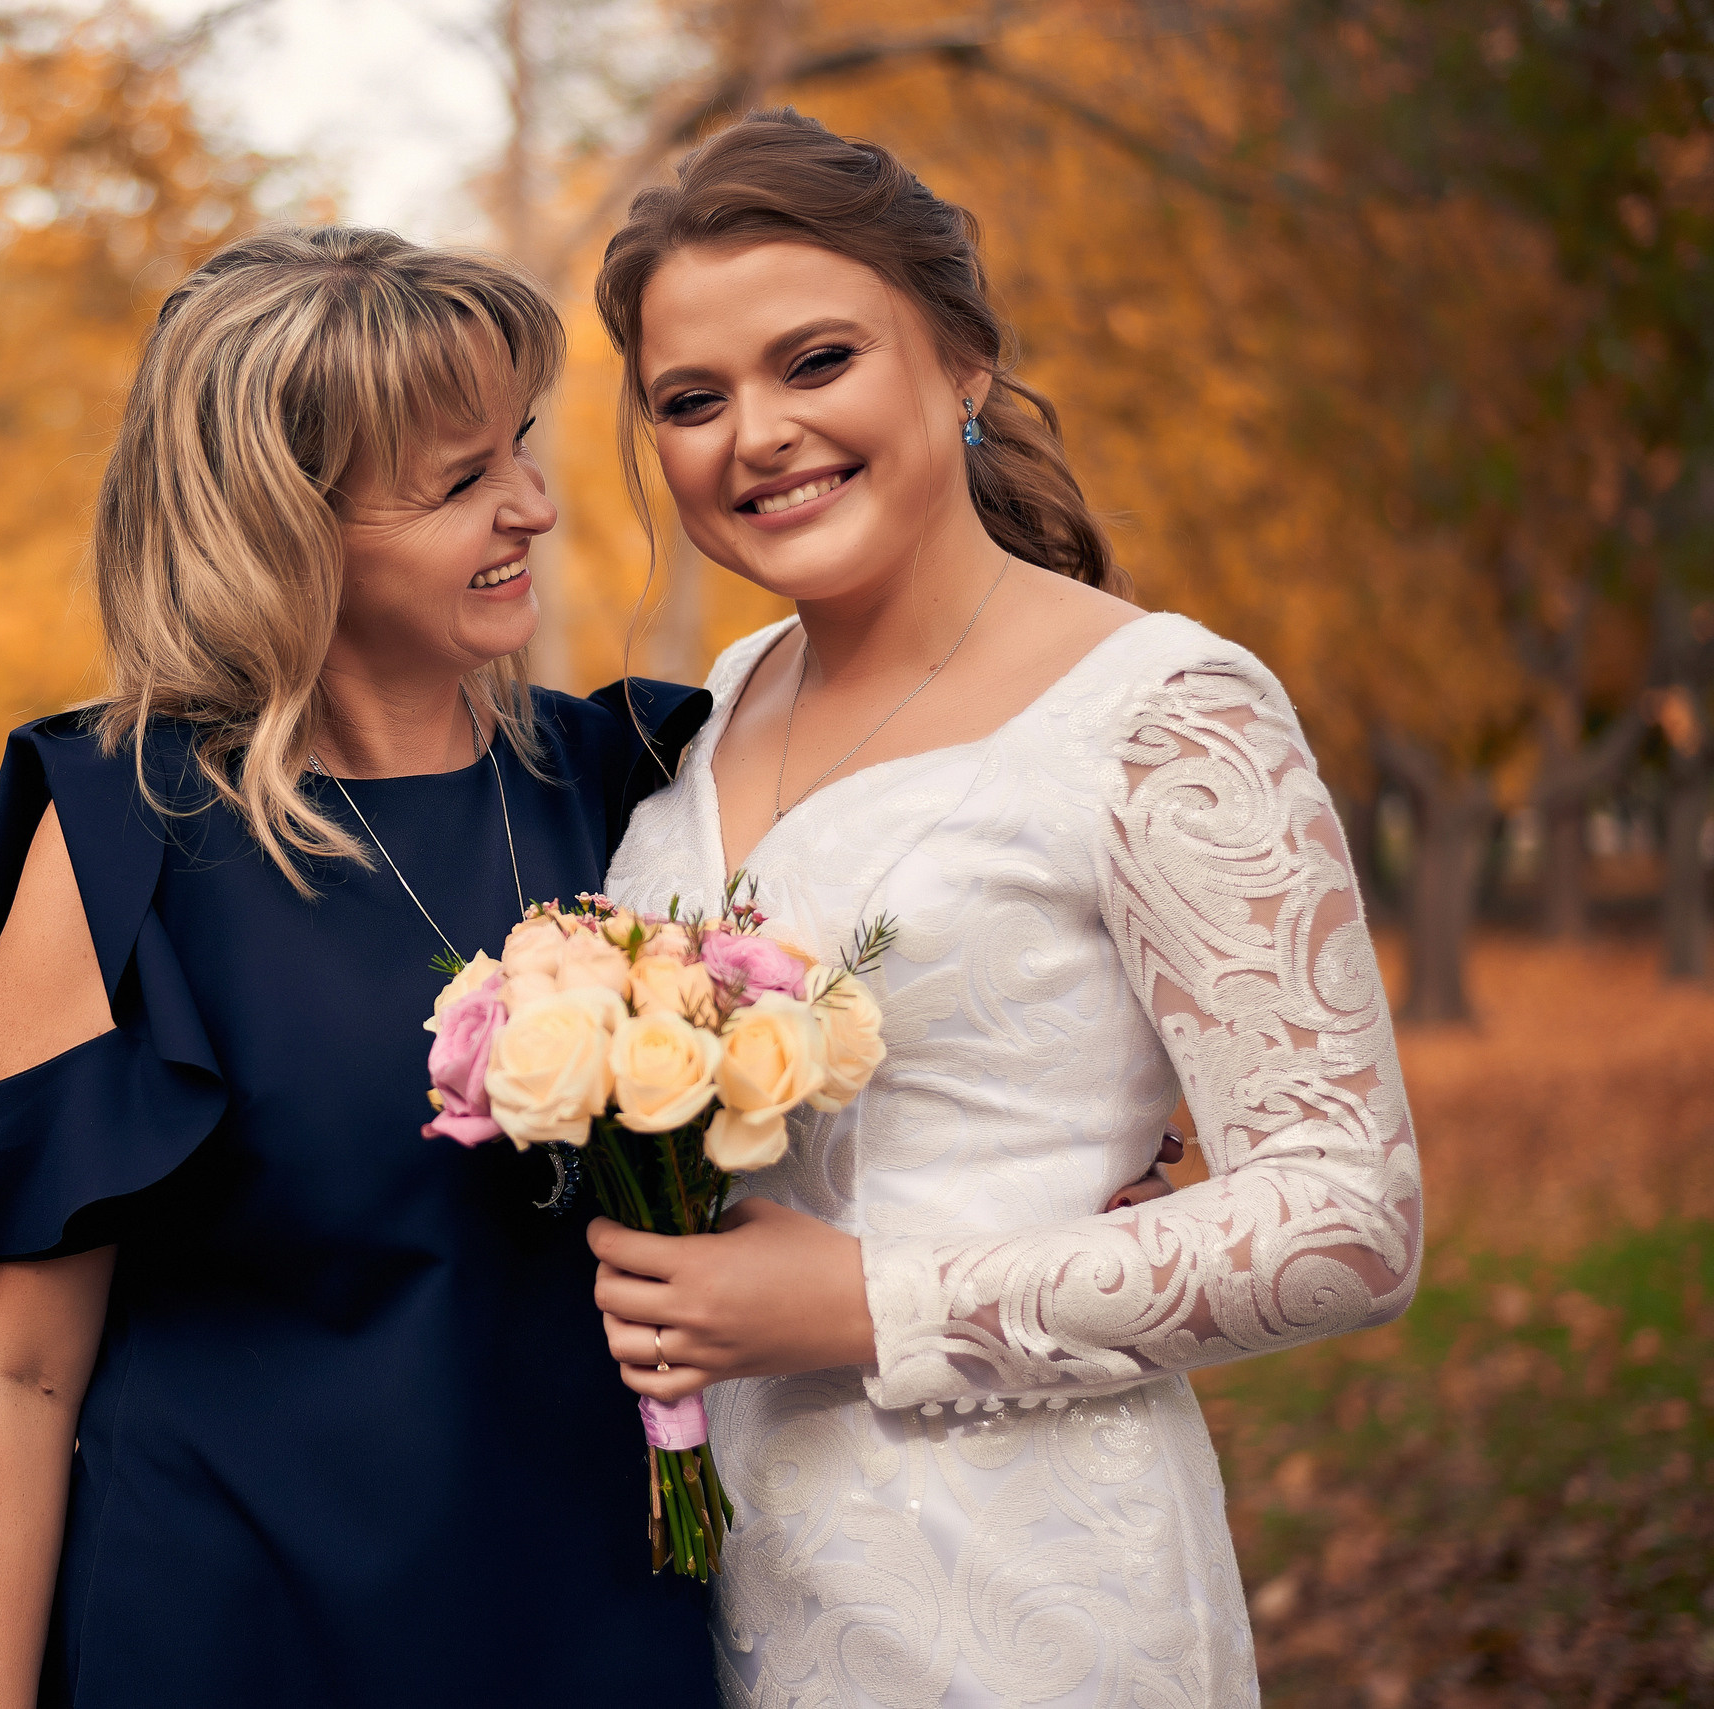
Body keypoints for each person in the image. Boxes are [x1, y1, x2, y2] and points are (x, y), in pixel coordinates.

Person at [585, 111, 1421, 1706]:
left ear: (961, 361)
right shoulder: (718, 704)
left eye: (814, 362)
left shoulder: (1167, 711)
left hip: (1027, 1589)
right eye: (691, 401)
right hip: (707, 1595)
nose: (754, 434)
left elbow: (1347, 1216)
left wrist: (864, 1299)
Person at [0, 227, 719, 1709]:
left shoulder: (628, 783)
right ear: (283, 528)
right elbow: (9, 1371)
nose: (536, 505)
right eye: (461, 482)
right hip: (224, 1636)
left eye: (518, 444)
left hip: (589, 1631)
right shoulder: (123, 840)